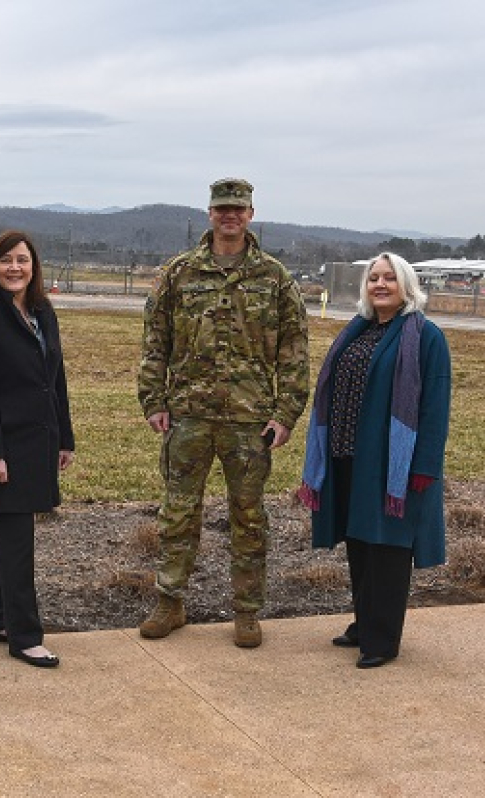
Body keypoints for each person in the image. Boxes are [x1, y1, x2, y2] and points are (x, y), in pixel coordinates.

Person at [137, 178, 310, 648]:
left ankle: (247, 611)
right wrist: (153, 400)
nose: (230, 216)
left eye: (238, 209)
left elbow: (294, 351)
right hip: (188, 415)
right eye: (222, 209)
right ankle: (170, 601)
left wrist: (286, 413)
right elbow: (155, 340)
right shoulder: (180, 273)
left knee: (249, 518)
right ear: (210, 213)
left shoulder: (273, 278)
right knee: (177, 513)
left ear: (251, 214)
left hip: (249, 421)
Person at [299, 252, 452, 669]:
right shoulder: (359, 331)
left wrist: (424, 466)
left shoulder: (426, 337)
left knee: (388, 546)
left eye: (389, 278)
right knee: (361, 542)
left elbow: (435, 407)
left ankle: (382, 639)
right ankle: (366, 622)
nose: (380, 285)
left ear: (406, 285)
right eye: (373, 278)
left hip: (392, 465)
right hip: (348, 456)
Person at [0, 230, 75, 668]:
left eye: (22, 260)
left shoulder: (43, 312)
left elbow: (55, 380)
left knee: (2, 537)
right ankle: (25, 636)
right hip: (2, 445)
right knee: (16, 540)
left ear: (33, 267)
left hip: (38, 441)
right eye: (5, 260)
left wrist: (65, 437)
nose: (14, 268)